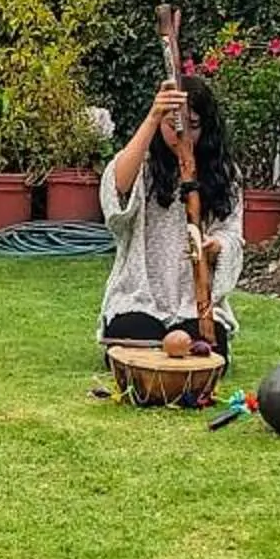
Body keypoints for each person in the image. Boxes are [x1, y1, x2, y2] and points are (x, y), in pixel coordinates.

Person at [99, 75, 243, 360]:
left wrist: (215, 246)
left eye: (193, 126)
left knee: (207, 348)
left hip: (194, 301)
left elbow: (232, 233)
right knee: (131, 337)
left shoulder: (225, 174)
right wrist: (153, 116)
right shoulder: (144, 164)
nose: (183, 135)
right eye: (173, 125)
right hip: (141, 296)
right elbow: (117, 190)